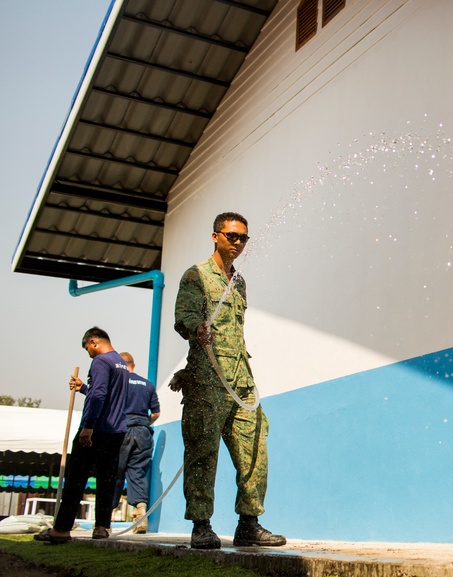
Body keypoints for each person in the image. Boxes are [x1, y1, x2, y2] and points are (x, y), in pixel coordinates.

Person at [171, 211, 285, 549]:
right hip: (207, 377)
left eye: (243, 238)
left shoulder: (239, 282)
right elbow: (184, 317)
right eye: (231, 235)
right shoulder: (197, 276)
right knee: (203, 452)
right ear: (215, 236)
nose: (237, 242)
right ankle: (201, 525)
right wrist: (197, 327)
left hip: (240, 380)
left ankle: (249, 523)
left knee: (254, 448)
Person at [35, 327, 129, 543]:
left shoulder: (100, 362)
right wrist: (84, 388)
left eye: (88, 348)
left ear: (94, 341)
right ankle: (102, 527)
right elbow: (106, 394)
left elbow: (99, 395)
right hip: (115, 431)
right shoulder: (121, 363)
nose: (89, 353)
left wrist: (88, 426)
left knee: (76, 479)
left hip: (96, 429)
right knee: (106, 480)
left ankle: (61, 529)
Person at [70, 352, 160, 534]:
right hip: (143, 432)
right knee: (137, 473)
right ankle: (141, 512)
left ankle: (106, 521)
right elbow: (156, 413)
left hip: (121, 429)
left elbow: (102, 397)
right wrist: (142, 424)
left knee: (113, 473)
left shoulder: (119, 381)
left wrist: (83, 389)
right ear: (133, 364)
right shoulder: (147, 384)